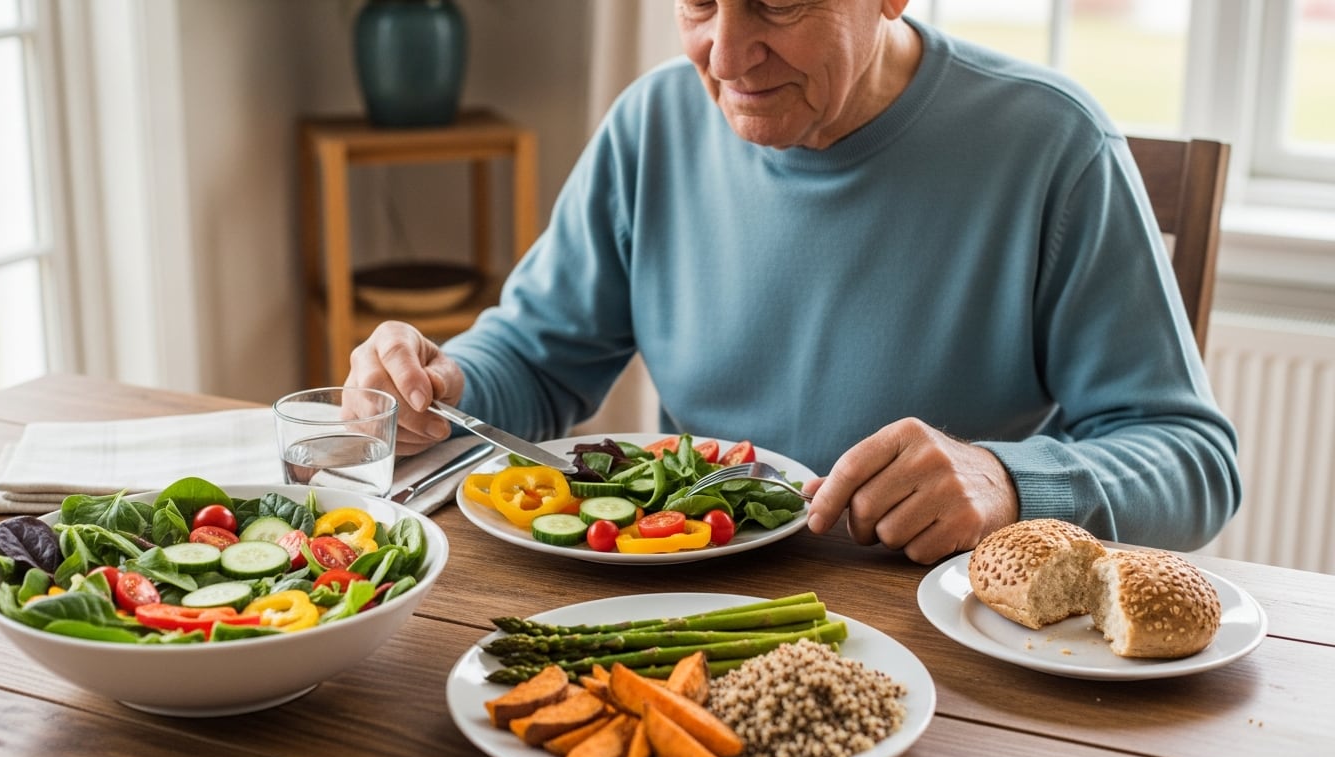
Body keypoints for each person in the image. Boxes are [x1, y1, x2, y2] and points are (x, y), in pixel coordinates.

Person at [345, 0, 1241, 564]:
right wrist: (446, 386)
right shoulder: (652, 123)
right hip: (682, 608)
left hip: (935, 629)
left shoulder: (1054, 146)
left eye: (778, 3)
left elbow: (1193, 462)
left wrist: (1008, 481)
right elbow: (537, 362)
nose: (728, 55)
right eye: (699, 1)